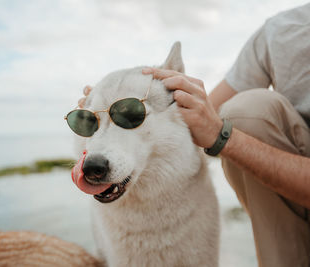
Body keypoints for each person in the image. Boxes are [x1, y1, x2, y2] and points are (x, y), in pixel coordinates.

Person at [79, 3, 310, 266]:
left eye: (133, 114)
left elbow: (213, 130)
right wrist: (99, 115)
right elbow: (199, 117)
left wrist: (224, 137)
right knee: (245, 112)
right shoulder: (279, 32)